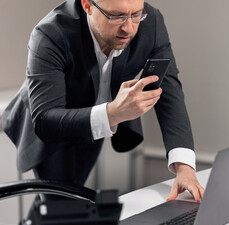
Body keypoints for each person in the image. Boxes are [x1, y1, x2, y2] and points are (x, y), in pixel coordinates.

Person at [2, 0, 204, 202]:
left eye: (136, 14)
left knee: (68, 199)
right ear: (87, 5)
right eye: (116, 16)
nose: (129, 28)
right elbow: (46, 119)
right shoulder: (50, 33)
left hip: (97, 124)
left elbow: (169, 91)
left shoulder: (152, 22)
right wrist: (113, 113)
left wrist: (184, 167)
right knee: (58, 204)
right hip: (53, 125)